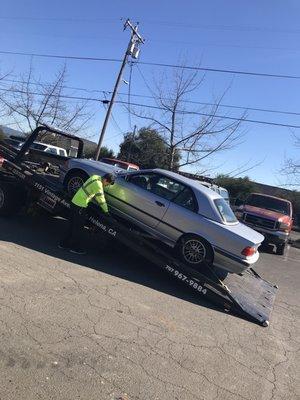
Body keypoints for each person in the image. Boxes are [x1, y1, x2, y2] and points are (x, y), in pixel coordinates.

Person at [59, 173, 115, 254]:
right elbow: (101, 200)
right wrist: (106, 212)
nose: (106, 186)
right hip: (80, 205)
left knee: (72, 225)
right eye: (107, 184)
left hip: (75, 201)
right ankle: (75, 248)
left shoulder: (95, 177)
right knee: (78, 228)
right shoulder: (98, 185)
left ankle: (63, 244)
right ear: (105, 180)